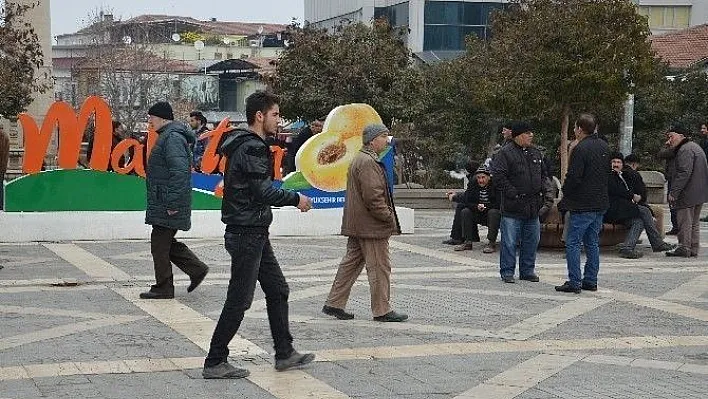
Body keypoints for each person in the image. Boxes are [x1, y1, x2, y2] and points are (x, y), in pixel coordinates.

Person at [203, 92, 315, 379]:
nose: (279, 120)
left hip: (254, 231)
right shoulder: (252, 147)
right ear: (260, 116)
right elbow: (263, 191)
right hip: (246, 232)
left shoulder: (248, 144)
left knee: (277, 290)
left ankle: (285, 353)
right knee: (239, 299)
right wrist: (295, 198)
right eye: (276, 114)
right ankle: (215, 361)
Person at [322, 123, 408, 322]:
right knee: (379, 267)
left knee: (350, 264)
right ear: (372, 139)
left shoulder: (360, 159)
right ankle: (382, 310)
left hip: (359, 224)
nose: (387, 140)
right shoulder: (368, 162)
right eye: (383, 136)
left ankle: (334, 303)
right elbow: (373, 197)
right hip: (371, 226)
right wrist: (388, 217)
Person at [141, 102, 209, 300]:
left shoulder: (171, 138)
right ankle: (196, 269)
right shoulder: (168, 136)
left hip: (169, 202)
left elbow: (179, 173)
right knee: (165, 242)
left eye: (151, 117)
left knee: (159, 244)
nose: (150, 121)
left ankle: (164, 287)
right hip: (165, 200)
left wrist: (172, 203)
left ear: (161, 118)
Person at [491, 121, 553, 284]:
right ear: (518, 136)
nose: (531, 135)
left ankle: (527, 271)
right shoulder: (505, 153)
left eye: (531, 133)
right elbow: (498, 177)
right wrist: (513, 193)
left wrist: (544, 194)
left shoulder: (535, 153)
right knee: (509, 241)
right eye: (527, 133)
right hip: (513, 206)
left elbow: (544, 175)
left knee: (531, 241)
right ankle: (507, 271)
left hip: (533, 206)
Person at [555, 115, 609, 293]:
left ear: (579, 129)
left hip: (582, 204)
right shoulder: (604, 146)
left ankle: (574, 281)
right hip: (599, 202)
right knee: (592, 242)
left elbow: (574, 176)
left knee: (573, 242)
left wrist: (565, 192)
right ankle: (591, 280)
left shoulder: (581, 148)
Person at [604, 152, 675, 259]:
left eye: (618, 162)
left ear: (622, 164)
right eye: (613, 162)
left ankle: (627, 248)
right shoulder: (608, 175)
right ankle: (657, 243)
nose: (616, 164)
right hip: (612, 210)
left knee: (638, 221)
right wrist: (632, 196)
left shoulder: (621, 175)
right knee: (644, 211)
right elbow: (616, 190)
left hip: (621, 211)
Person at [664, 125, 708, 257]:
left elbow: (683, 173)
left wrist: (674, 192)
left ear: (681, 136)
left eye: (671, 136)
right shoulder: (694, 147)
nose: (669, 140)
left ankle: (684, 247)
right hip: (699, 192)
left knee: (684, 222)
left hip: (687, 193)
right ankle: (693, 248)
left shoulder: (685, 150)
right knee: (694, 223)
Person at [446, 165, 500, 253]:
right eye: (478, 178)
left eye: (483, 177)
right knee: (465, 211)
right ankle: (468, 242)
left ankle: (491, 243)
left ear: (489, 177)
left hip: (491, 213)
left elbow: (499, 204)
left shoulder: (495, 186)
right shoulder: (473, 184)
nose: (481, 180)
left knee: (493, 212)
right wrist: (476, 206)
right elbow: (467, 201)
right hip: (478, 212)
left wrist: (485, 207)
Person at [442, 158, 481, 245]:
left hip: (482, 206)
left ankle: (457, 237)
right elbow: (469, 194)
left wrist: (454, 197)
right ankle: (472, 236)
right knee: (464, 207)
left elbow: (467, 197)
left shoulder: (474, 179)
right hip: (480, 204)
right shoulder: (475, 177)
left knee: (461, 206)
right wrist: (456, 195)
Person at [0, 125, 9, 214]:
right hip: (2, 166)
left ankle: (1, 204)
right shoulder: (4, 136)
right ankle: (1, 204)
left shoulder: (2, 136)